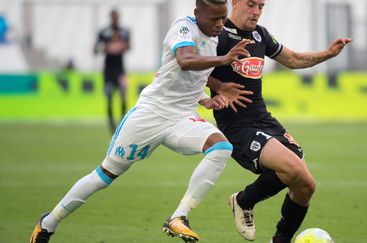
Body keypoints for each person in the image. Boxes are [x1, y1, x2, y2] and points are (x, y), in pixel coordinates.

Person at [30, 1, 250, 242]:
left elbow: (186, 76)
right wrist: (224, 60)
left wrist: (206, 99)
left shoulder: (214, 38)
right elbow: (184, 60)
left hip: (181, 118)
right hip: (150, 115)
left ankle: (179, 217)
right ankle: (48, 223)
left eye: (223, 18)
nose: (219, 24)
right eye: (214, 19)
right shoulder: (183, 28)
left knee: (221, 148)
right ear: (197, 13)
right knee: (103, 176)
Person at [206, 0, 352, 242]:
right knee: (291, 168)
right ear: (234, 3)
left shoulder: (260, 35)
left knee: (306, 186)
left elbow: (293, 60)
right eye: (251, 5)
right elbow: (189, 68)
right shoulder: (218, 34)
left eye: (261, 6)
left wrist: (328, 53)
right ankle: (243, 201)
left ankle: (281, 240)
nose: (256, 12)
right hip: (237, 127)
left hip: (264, 120)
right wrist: (220, 87)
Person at [94, 9, 131, 133]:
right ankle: (111, 126)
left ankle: (121, 123)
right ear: (111, 17)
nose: (115, 19)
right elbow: (95, 49)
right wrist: (106, 47)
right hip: (108, 71)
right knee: (109, 97)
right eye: (113, 17)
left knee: (123, 95)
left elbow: (128, 47)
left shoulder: (124, 31)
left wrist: (121, 46)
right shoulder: (104, 32)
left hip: (120, 70)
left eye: (117, 16)